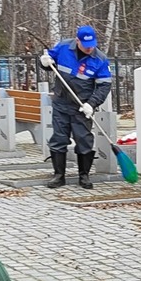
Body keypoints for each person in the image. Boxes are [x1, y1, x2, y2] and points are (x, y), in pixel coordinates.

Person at [40, 25, 112, 189]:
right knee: (58, 139)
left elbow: (104, 86)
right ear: (77, 40)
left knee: (84, 140)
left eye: (92, 45)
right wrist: (44, 62)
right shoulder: (64, 47)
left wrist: (91, 104)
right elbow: (48, 62)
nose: (89, 49)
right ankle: (59, 176)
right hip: (61, 102)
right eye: (85, 45)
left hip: (82, 106)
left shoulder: (99, 59)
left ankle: (84, 176)